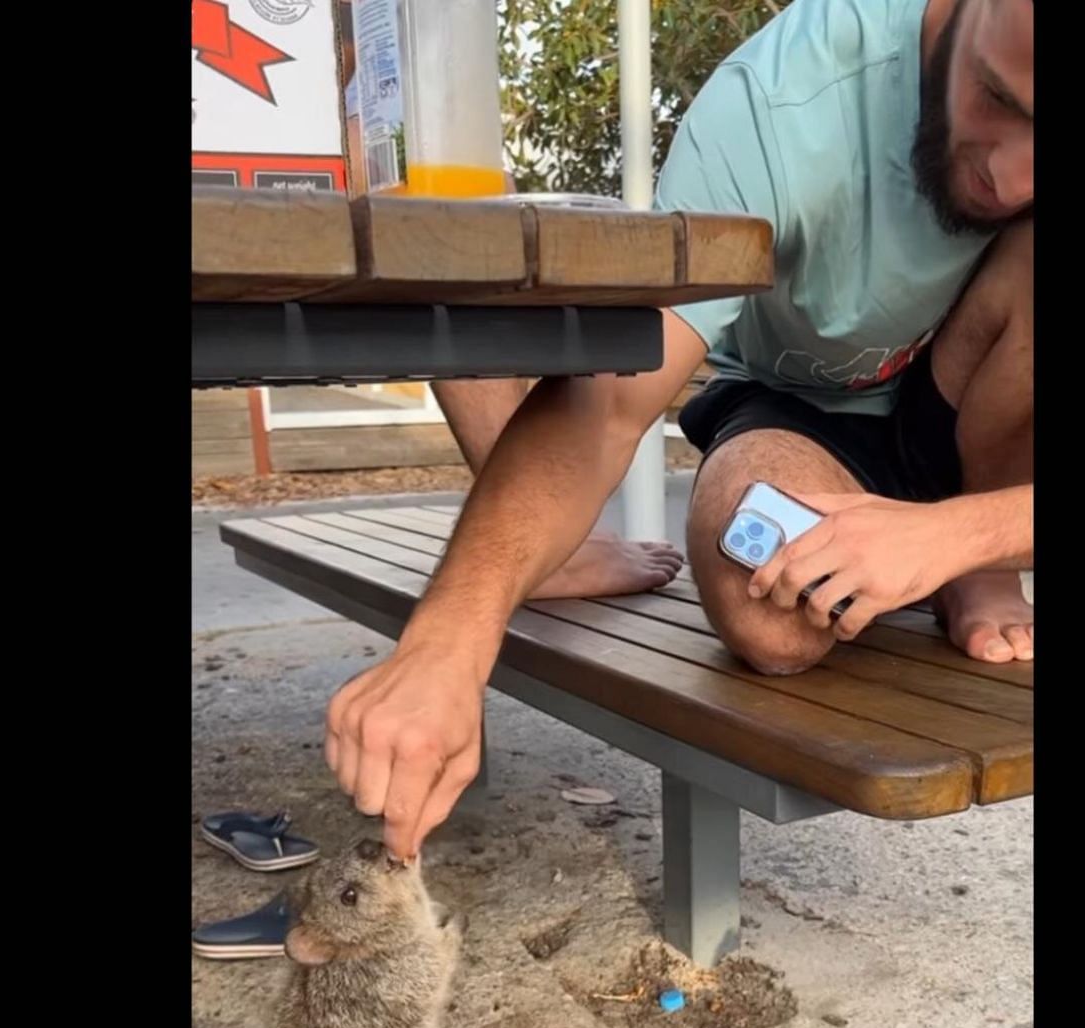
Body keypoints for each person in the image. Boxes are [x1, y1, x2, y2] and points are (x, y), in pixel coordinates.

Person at [330, 0, 1034, 861]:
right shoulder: (780, 104)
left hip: (975, 404)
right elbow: (609, 407)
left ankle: (984, 571)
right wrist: (446, 644)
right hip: (802, 409)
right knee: (770, 615)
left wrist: (964, 534)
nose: (1012, 177)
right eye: (999, 99)